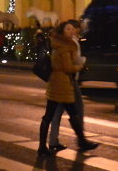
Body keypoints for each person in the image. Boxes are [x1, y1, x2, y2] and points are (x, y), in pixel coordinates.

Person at [37, 20, 99, 156]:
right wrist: (80, 67)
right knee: (68, 113)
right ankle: (81, 141)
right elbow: (68, 67)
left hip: (58, 83)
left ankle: (45, 145)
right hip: (62, 84)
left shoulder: (60, 44)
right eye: (68, 29)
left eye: (72, 29)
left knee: (56, 114)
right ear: (62, 32)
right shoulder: (64, 47)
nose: (72, 31)